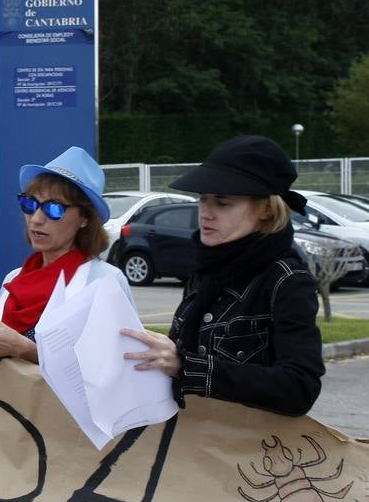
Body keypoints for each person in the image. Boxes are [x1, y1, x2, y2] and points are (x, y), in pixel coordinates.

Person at [122, 135, 323, 414]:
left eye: (222, 202)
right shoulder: (207, 268)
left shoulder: (286, 280)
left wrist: (187, 367)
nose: (206, 213)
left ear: (265, 209)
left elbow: (299, 388)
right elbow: (180, 359)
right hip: (189, 443)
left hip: (250, 453)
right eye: (203, 200)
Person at [0, 146, 132, 363]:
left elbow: (117, 367)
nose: (36, 218)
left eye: (54, 208)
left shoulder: (104, 282)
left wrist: (27, 350)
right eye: (29, 204)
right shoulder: (13, 279)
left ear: (85, 218)